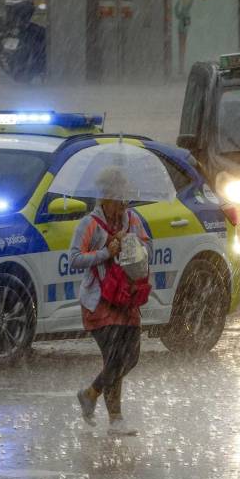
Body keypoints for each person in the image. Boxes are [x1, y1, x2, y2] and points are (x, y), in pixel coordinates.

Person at [70, 167, 152, 436]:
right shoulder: (90, 224)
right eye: (118, 198)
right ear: (105, 197)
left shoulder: (132, 220)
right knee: (114, 356)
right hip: (100, 301)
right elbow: (75, 259)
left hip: (127, 297)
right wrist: (106, 252)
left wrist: (128, 242)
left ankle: (91, 393)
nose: (123, 204)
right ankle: (116, 420)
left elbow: (146, 248)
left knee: (131, 357)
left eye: (125, 198)